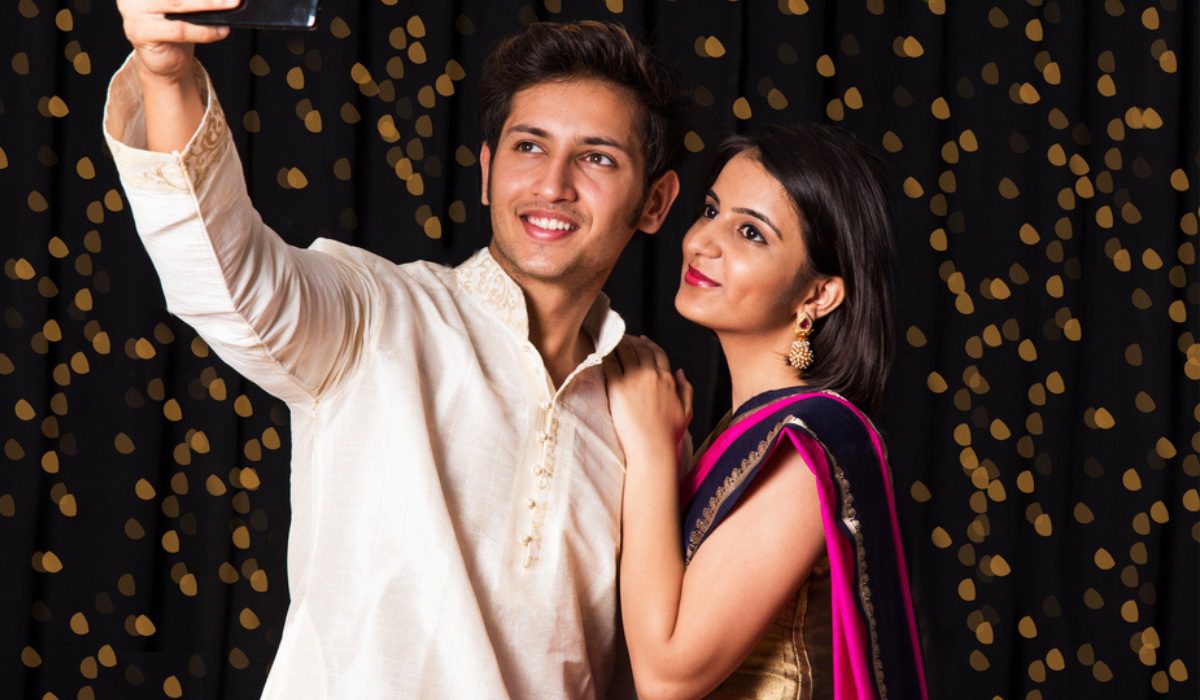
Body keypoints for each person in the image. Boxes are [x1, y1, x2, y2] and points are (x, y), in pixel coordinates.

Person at [106, 4, 690, 697]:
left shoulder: (645, 412)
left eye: (597, 157)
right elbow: (231, 280)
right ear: (485, 173)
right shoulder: (378, 313)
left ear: (655, 202)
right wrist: (165, 73)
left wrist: (658, 448)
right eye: (529, 147)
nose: (553, 183)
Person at [604, 125, 928, 699]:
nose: (703, 241)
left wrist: (652, 451)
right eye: (711, 210)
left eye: (751, 232)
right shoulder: (742, 429)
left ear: (819, 295)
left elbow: (666, 676)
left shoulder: (810, 442)